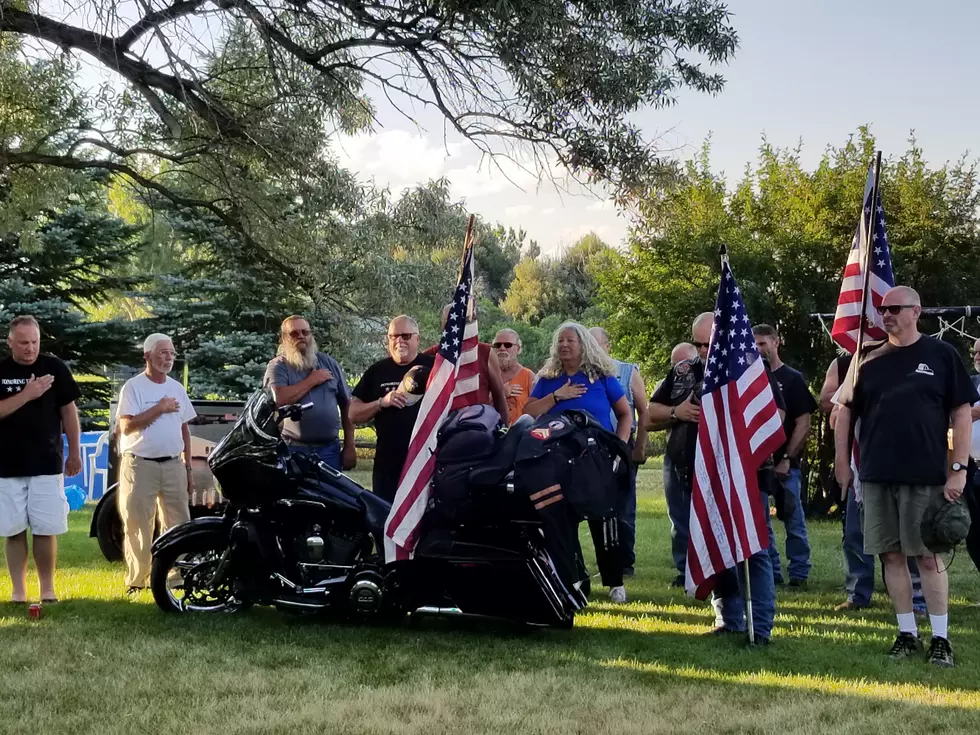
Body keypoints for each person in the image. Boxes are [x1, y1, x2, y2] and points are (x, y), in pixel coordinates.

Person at [835, 286, 977, 668]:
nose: (887, 314)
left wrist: (958, 469)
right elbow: (844, 411)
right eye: (883, 309)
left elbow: (962, 412)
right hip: (878, 473)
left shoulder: (942, 354)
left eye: (895, 308)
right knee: (891, 556)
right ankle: (906, 633)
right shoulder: (868, 359)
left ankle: (941, 639)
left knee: (928, 558)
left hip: (926, 474)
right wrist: (841, 462)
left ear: (917, 311)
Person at [523, 322, 632, 602]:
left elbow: (625, 414)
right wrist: (557, 396)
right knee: (563, 520)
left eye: (570, 340)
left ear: (583, 344)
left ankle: (614, 581)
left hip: (595, 459)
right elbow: (529, 412)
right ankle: (572, 578)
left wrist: (618, 447)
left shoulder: (602, 377)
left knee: (603, 517)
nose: (565, 345)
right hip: (557, 460)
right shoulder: (548, 378)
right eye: (560, 341)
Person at [823, 351, 928, 613]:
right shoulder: (849, 363)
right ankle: (857, 593)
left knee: (909, 537)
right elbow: (830, 405)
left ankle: (915, 598)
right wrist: (841, 460)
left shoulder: (915, 357)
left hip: (906, 464)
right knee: (856, 534)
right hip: (864, 465)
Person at [0, 316, 81, 603]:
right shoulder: (1, 371)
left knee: (46, 529)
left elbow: (69, 412)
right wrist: (27, 394)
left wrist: (75, 451)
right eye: (23, 343)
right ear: (10, 342)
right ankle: (18, 591)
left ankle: (47, 589)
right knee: (14, 530)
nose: (30, 348)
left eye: (34, 342)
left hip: (47, 462)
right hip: (8, 466)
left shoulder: (54, 367)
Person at [116, 334, 197, 593]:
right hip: (140, 466)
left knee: (179, 523)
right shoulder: (133, 387)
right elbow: (126, 426)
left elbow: (184, 430)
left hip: (173, 464)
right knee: (138, 524)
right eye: (162, 352)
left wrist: (188, 467)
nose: (168, 358)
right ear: (147, 355)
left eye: (171, 353)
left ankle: (176, 578)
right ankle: (137, 582)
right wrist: (158, 408)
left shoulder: (177, 388)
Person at [647, 314, 713, 587]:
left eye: (707, 344)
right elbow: (652, 411)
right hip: (681, 457)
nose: (702, 350)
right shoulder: (682, 370)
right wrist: (677, 412)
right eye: (697, 344)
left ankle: (717, 571)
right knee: (681, 520)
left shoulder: (743, 368)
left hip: (720, 460)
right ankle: (685, 572)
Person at [753, 324, 815, 587]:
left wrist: (787, 458)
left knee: (793, 519)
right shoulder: (749, 379)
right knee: (762, 523)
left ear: (776, 342)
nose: (758, 349)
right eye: (753, 345)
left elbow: (803, 423)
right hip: (757, 465)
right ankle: (773, 572)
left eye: (763, 343)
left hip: (785, 465)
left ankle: (799, 573)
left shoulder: (792, 378)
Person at [350, 316, 435, 502]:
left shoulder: (434, 366)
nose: (399, 341)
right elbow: (353, 414)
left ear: (417, 339)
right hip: (388, 464)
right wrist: (381, 402)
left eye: (405, 336)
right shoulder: (377, 371)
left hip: (427, 461)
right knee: (386, 519)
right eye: (393, 336)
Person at [589, 326, 649, 577]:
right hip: (591, 449)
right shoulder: (582, 374)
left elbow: (643, 411)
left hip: (622, 445)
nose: (592, 350)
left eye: (596, 344)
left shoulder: (627, 371)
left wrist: (639, 447)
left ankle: (625, 563)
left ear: (607, 346)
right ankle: (605, 559)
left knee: (624, 507)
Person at [263, 316, 355, 471]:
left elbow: (347, 405)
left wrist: (349, 445)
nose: (301, 336)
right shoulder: (278, 366)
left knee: (329, 495)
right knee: (296, 495)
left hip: (329, 451)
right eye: (294, 333)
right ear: (284, 338)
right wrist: (312, 380)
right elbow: (279, 398)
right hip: (294, 451)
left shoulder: (329, 363)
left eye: (305, 332)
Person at [423, 304, 509, 420]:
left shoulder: (485, 352)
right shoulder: (430, 355)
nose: (458, 326)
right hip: (442, 425)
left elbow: (499, 396)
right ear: (443, 325)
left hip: (477, 423)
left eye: (464, 321)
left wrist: (504, 428)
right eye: (452, 321)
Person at [492, 328, 536, 425]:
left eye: (508, 345)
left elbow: (537, 411)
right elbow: (477, 405)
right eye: (497, 345)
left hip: (519, 433)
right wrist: (501, 393)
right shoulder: (486, 374)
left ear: (518, 349)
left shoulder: (529, 376)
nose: (502, 348)